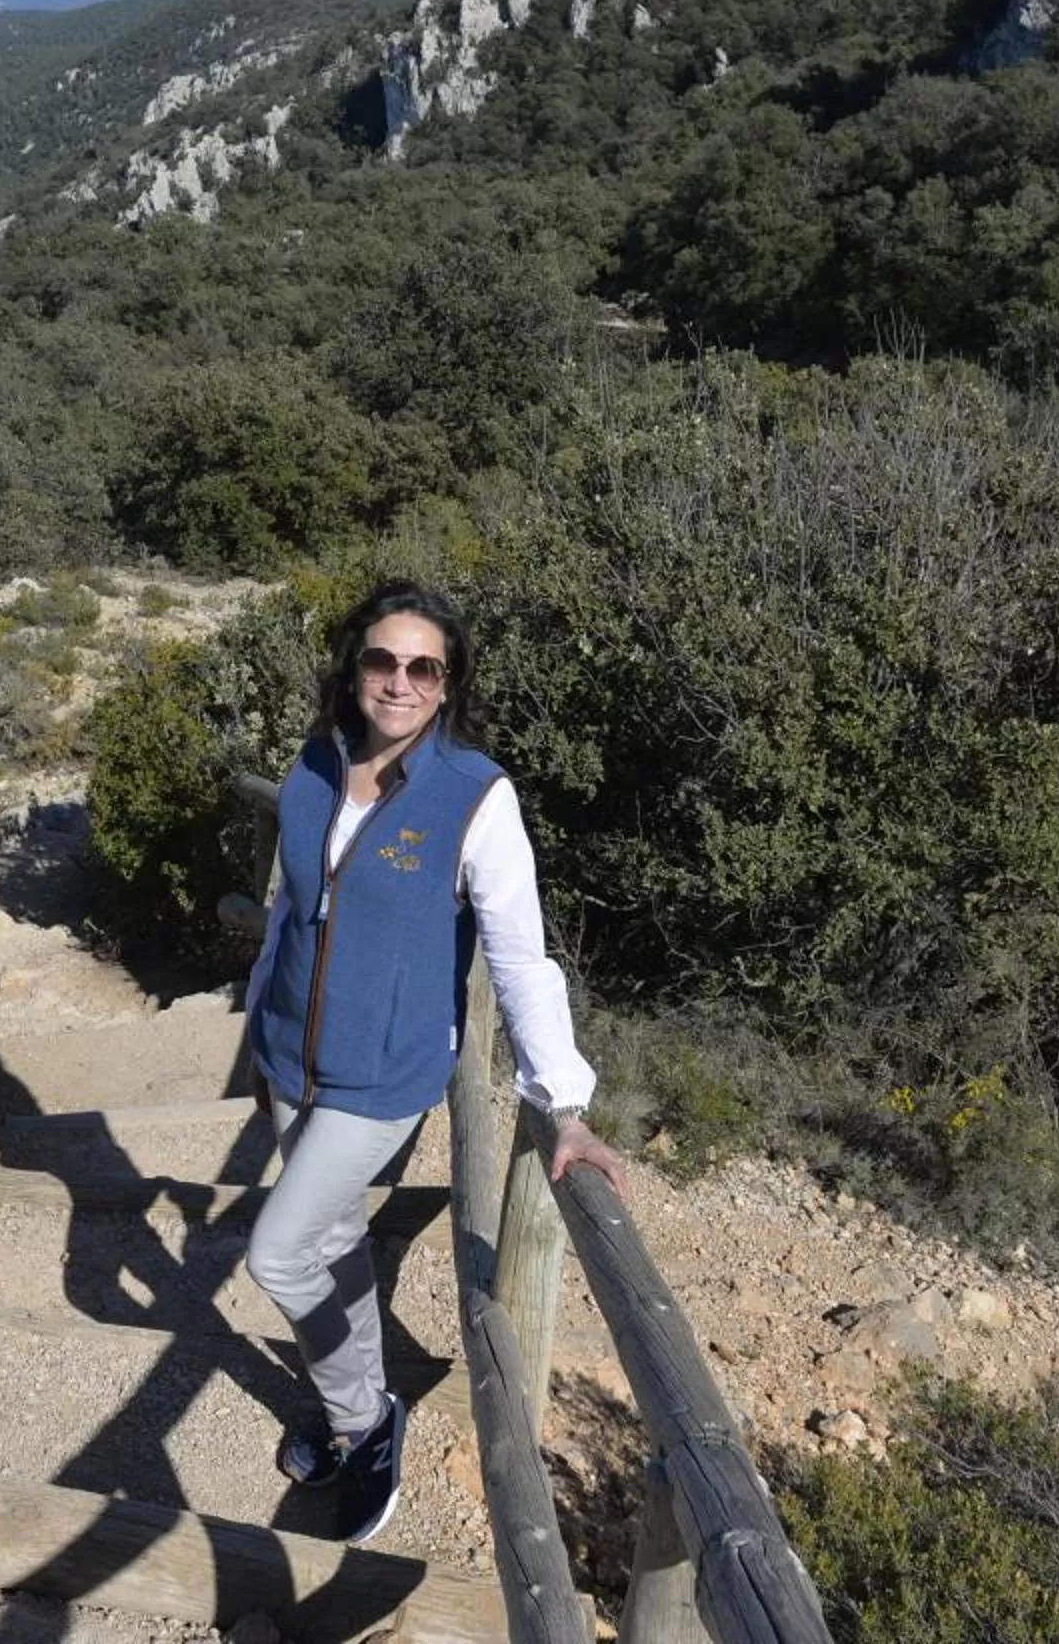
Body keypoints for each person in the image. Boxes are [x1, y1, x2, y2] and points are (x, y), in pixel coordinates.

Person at [240, 580, 628, 1546]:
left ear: (448, 685)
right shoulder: (314, 762)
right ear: (355, 666)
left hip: (384, 1073)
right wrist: (258, 1012)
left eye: (424, 667)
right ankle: (352, 1407)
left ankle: (367, 1422)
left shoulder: (474, 795)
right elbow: (290, 907)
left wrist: (563, 1100)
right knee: (326, 1240)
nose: (400, 682)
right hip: (289, 1053)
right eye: (383, 660)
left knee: (279, 1250)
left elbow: (519, 954)